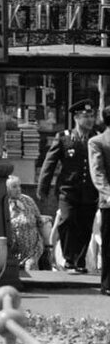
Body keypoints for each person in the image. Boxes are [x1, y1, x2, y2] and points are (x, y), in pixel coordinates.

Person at [38, 99, 100, 274]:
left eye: (91, 116)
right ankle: (69, 258)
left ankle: (79, 261)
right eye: (85, 116)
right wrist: (43, 187)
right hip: (68, 190)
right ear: (76, 118)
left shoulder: (97, 137)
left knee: (85, 225)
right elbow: (49, 163)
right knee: (66, 220)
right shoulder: (64, 137)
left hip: (90, 191)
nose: (89, 120)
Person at [88, 104, 110, 294]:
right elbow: (98, 172)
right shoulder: (98, 141)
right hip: (109, 201)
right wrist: (108, 193)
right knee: (109, 243)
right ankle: (108, 284)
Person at [6, 175, 47, 273]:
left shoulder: (27, 200)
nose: (18, 189)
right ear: (7, 189)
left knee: (31, 266)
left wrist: (47, 244)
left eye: (19, 186)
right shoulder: (5, 203)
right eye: (14, 187)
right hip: (14, 249)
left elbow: (39, 219)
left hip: (33, 246)